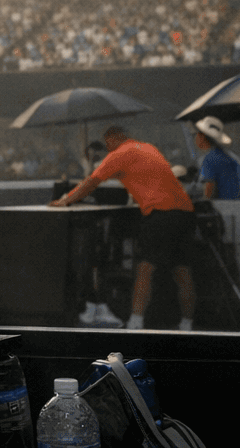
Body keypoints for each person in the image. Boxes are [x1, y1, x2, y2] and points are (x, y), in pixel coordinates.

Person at [52, 125, 196, 331]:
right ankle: (187, 325)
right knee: (183, 271)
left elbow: (91, 182)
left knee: (145, 269)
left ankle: (135, 324)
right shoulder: (149, 148)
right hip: (186, 212)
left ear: (113, 138)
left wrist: (65, 200)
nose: (107, 148)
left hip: (161, 213)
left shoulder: (119, 154)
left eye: (107, 143)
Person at [193, 116, 240, 200]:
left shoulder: (210, 158)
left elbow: (209, 188)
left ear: (202, 137)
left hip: (222, 205)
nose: (195, 138)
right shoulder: (229, 156)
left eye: (196, 134)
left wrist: (203, 202)